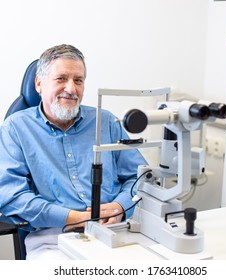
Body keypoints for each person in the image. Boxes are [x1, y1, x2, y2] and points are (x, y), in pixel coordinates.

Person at [0, 44, 146, 259]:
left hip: (117, 229)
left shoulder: (105, 121)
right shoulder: (15, 128)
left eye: (78, 80)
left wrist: (120, 206)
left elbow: (140, 176)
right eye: (61, 79)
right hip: (54, 239)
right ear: (39, 84)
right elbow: (10, 196)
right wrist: (72, 217)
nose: (71, 88)